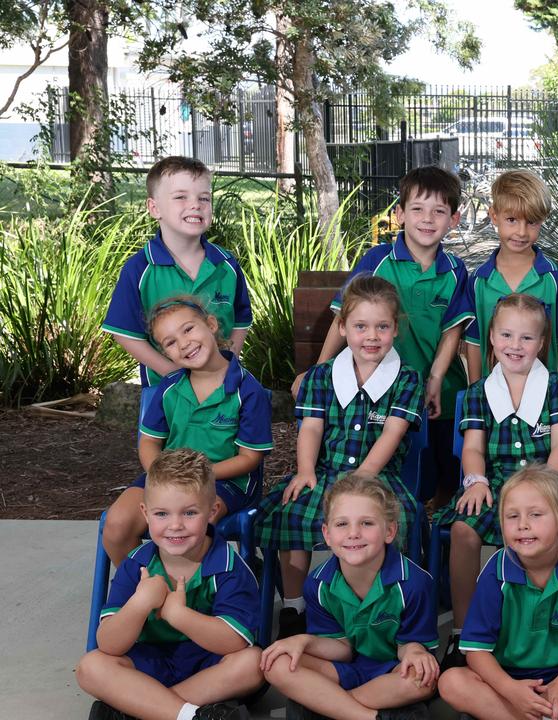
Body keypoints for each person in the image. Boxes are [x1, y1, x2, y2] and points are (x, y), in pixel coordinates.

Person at [258, 274, 424, 639]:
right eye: (360, 326)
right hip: (325, 472)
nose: (371, 336)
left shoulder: (407, 379)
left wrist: (363, 476)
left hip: (377, 477)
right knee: (293, 511)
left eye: (382, 327)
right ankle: (293, 606)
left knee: (387, 519)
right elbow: (312, 428)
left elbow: (393, 433)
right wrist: (304, 470)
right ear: (342, 327)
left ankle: (379, 604)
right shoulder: (320, 377)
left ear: (396, 330)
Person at [295, 166, 469, 511]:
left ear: (454, 219)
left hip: (439, 387)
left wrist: (434, 379)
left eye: (439, 211)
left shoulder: (455, 270)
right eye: (417, 209)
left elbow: (453, 330)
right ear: (399, 214)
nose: (427, 219)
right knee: (391, 458)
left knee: (444, 467)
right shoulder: (378, 261)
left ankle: (438, 528)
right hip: (380, 387)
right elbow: (342, 318)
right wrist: (318, 371)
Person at [435, 294, 558, 668]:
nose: (515, 346)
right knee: (464, 531)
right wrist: (476, 481)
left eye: (526, 338)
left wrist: (545, 489)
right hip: (495, 484)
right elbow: (473, 449)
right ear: (492, 337)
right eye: (506, 335)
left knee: (537, 533)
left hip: (546, 483)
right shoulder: (476, 393)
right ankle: (464, 633)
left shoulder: (557, 387)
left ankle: (537, 630)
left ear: (542, 343)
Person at [76, 449, 263, 720]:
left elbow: (234, 642)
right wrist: (140, 603)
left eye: (189, 513)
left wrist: (178, 615)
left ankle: (141, 707)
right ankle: (191, 715)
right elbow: (108, 644)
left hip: (207, 666)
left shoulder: (229, 568)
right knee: (91, 666)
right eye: (162, 514)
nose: (175, 525)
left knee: (254, 663)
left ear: (212, 511)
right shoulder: (135, 564)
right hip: (148, 663)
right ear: (145, 513)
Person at [439, 465, 558, 720]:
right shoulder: (495, 574)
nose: (523, 525)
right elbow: (477, 652)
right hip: (506, 680)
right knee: (451, 682)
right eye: (512, 516)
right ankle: (539, 714)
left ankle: (522, 714)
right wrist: (510, 690)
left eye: (536, 515)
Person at [101, 296, 273, 566]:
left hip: (224, 482)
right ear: (165, 353)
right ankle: (148, 588)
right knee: (116, 524)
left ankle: (196, 593)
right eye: (170, 342)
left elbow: (250, 458)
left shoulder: (247, 390)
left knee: (191, 527)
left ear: (212, 324)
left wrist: (195, 474)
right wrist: (160, 474)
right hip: (166, 477)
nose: (183, 343)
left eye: (189, 329)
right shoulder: (169, 388)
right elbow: (149, 442)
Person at [262, 473, 440, 720]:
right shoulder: (318, 584)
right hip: (343, 670)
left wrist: (415, 652)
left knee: (421, 680)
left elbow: (409, 646)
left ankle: (330, 706)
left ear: (389, 531)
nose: (353, 533)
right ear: (327, 534)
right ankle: (366, 716)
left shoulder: (414, 583)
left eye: (367, 523)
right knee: (277, 663)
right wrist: (303, 641)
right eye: (341, 524)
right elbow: (342, 649)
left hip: (390, 673)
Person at [103, 156, 252, 398]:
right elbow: (124, 332)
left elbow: (241, 320)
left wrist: (226, 367)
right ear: (154, 208)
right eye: (181, 197)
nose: (195, 204)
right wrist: (173, 373)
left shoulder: (226, 265)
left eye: (204, 198)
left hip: (222, 389)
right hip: (166, 392)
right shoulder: (139, 269)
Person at [444, 169, 558, 380]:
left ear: (543, 220)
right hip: (491, 402)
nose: (521, 232)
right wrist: (476, 393)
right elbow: (474, 344)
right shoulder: (479, 281)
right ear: (494, 216)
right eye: (512, 219)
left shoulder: (553, 278)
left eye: (531, 222)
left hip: (545, 400)